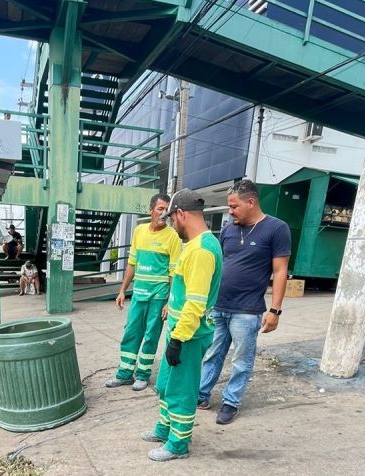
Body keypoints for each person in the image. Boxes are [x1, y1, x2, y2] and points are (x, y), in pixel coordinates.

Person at [197, 179, 291, 425]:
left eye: (234, 206)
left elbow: (280, 271)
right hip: (218, 305)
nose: (230, 212)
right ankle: (202, 395)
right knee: (212, 353)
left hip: (247, 311)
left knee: (241, 359)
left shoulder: (276, 228)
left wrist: (275, 310)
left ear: (251, 202)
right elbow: (219, 265)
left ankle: (231, 402)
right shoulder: (228, 229)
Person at [141, 188, 222, 462]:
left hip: (188, 334)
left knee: (181, 390)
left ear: (182, 214)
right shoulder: (196, 245)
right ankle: (165, 428)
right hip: (179, 330)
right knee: (165, 384)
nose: (171, 225)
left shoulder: (201, 251)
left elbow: (195, 303)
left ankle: (178, 444)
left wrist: (178, 339)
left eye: (172, 219)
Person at [105, 193, 181, 392]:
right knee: (131, 332)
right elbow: (132, 263)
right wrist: (122, 291)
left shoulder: (172, 236)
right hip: (138, 293)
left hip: (158, 296)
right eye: (160, 209)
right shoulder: (139, 231)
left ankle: (143, 374)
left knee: (150, 335)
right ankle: (124, 374)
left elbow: (174, 272)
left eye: (167, 210)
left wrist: (169, 302)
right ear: (151, 210)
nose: (164, 213)